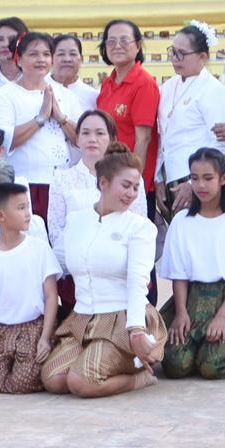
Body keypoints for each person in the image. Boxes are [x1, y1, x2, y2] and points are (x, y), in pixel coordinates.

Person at [44, 152, 163, 397]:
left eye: (136, 187)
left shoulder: (140, 228)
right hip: (83, 317)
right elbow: (56, 261)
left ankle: (140, 378)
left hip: (123, 318)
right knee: (54, 379)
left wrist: (137, 329)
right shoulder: (76, 222)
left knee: (81, 383)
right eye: (126, 185)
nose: (131, 193)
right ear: (103, 183)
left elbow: (138, 281)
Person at [156, 148, 225, 379]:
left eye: (208, 178)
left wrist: (222, 317)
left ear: (223, 178)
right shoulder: (182, 222)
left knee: (212, 367)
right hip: (191, 297)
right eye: (194, 178)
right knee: (175, 365)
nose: (201, 185)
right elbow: (179, 275)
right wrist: (181, 312)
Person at [0, 181, 63, 394]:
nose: (28, 213)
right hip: (2, 330)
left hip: (33, 328)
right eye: (21, 208)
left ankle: (25, 369)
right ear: (1, 216)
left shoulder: (38, 249)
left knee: (22, 383)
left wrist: (45, 338)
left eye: (27, 207)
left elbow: (51, 296)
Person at [156, 23, 225, 243]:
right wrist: (158, 177)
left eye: (182, 53)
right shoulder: (169, 86)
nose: (175, 58)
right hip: (171, 177)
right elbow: (163, 135)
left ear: (202, 56)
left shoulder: (212, 89)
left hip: (199, 181)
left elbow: (218, 142)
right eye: (173, 51)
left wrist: (194, 182)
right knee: (182, 243)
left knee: (204, 241)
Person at [0, 32, 79, 218]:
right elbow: (1, 141)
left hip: (62, 183)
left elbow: (82, 139)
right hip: (25, 184)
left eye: (46, 54)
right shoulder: (5, 95)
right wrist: (40, 119)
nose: (41, 59)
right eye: (33, 54)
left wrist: (61, 118)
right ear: (19, 59)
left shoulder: (65, 94)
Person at [94, 20, 160, 189]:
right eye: (111, 41)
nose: (117, 46)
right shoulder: (107, 83)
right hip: (110, 178)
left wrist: (133, 181)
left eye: (124, 40)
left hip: (131, 184)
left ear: (137, 46)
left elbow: (143, 139)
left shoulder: (143, 83)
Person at [48, 108, 115, 263]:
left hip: (115, 268)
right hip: (74, 266)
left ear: (112, 139)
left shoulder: (127, 180)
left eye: (100, 133)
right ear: (77, 139)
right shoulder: (61, 179)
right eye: (85, 133)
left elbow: (137, 226)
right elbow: (56, 233)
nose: (92, 139)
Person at [52, 34, 102, 113]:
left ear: (81, 59)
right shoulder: (38, 90)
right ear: (51, 58)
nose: (67, 59)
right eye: (61, 54)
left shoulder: (93, 96)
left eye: (73, 54)